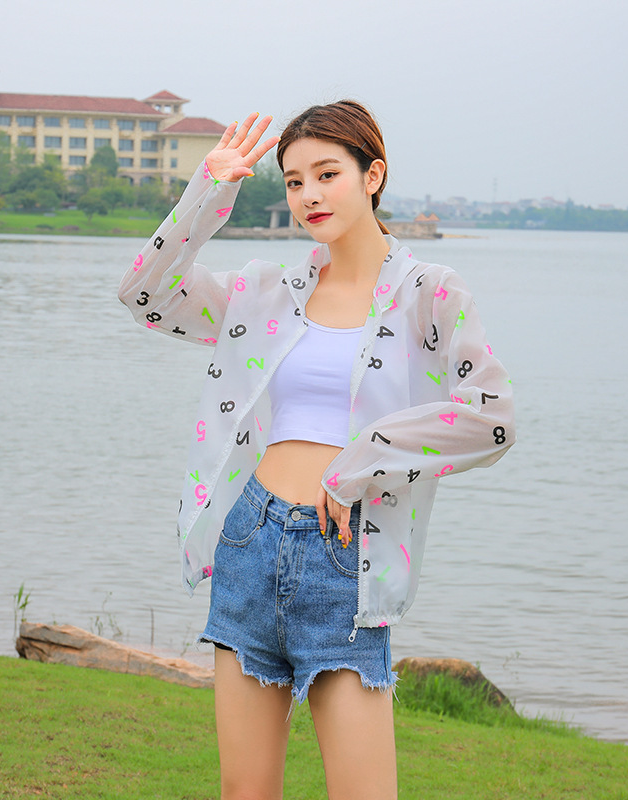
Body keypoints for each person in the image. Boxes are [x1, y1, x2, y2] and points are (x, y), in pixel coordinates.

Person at [119, 102, 515, 800]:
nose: (309, 195)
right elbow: (144, 293)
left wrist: (364, 457)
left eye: (327, 174)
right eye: (294, 181)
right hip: (250, 539)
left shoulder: (429, 294)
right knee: (245, 791)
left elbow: (492, 419)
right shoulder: (265, 292)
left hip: (346, 557)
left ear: (372, 175)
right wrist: (208, 190)